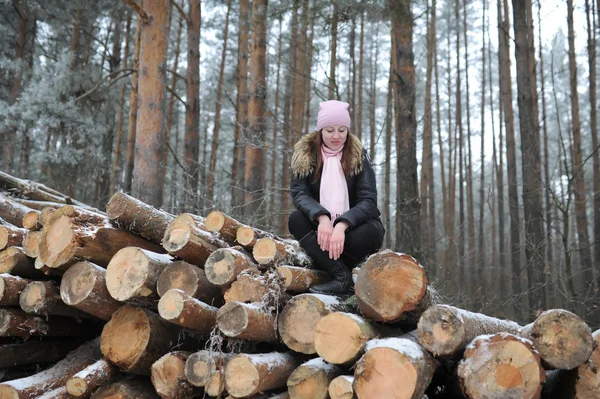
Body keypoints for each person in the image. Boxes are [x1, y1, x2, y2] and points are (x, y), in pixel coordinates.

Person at [288, 100, 385, 295]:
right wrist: (321, 217)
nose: (336, 136)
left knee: (369, 232)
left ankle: (339, 265)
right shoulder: (305, 156)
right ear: (320, 131)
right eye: (330, 130)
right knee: (296, 219)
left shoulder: (358, 156)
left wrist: (342, 224)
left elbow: (369, 201)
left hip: (352, 230)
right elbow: (300, 194)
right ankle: (341, 276)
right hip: (321, 231)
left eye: (342, 130)